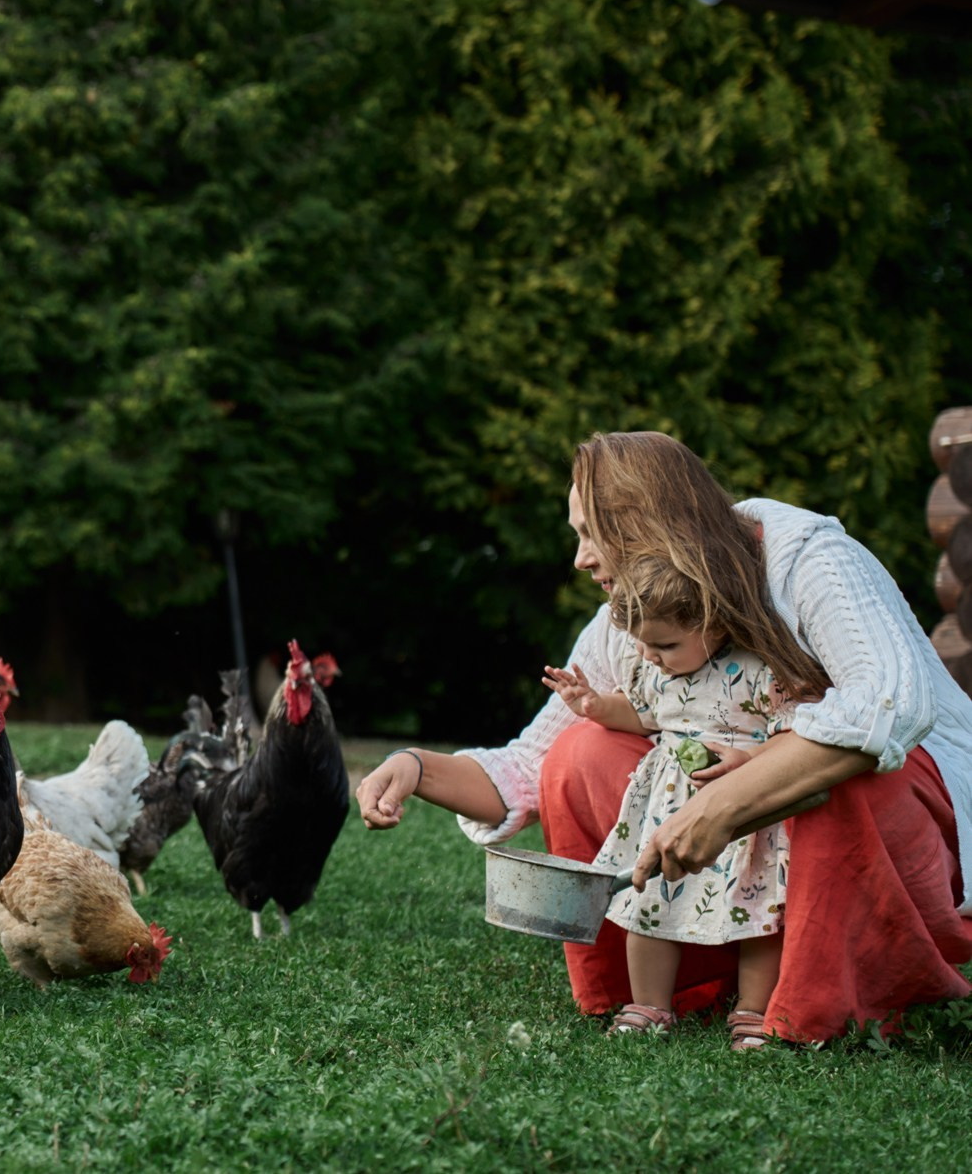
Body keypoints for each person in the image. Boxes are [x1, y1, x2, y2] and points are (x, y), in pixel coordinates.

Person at [356, 431, 972, 1041]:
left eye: (590, 533)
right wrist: (415, 767)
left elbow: (889, 705)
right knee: (581, 752)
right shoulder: (628, 621)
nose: (580, 558)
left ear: (651, 521)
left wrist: (730, 800)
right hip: (742, 842)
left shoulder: (808, 559)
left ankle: (827, 993)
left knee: (836, 770)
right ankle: (682, 982)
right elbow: (532, 764)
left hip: (918, 817)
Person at [542, 554, 802, 1047]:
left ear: (716, 621)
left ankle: (751, 1009)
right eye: (642, 643)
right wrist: (595, 707)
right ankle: (650, 1003)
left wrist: (749, 761)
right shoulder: (656, 669)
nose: (650, 655)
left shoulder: (760, 670)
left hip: (744, 811)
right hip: (667, 807)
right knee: (650, 899)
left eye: (664, 644)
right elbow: (643, 718)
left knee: (757, 909)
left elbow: (794, 735)